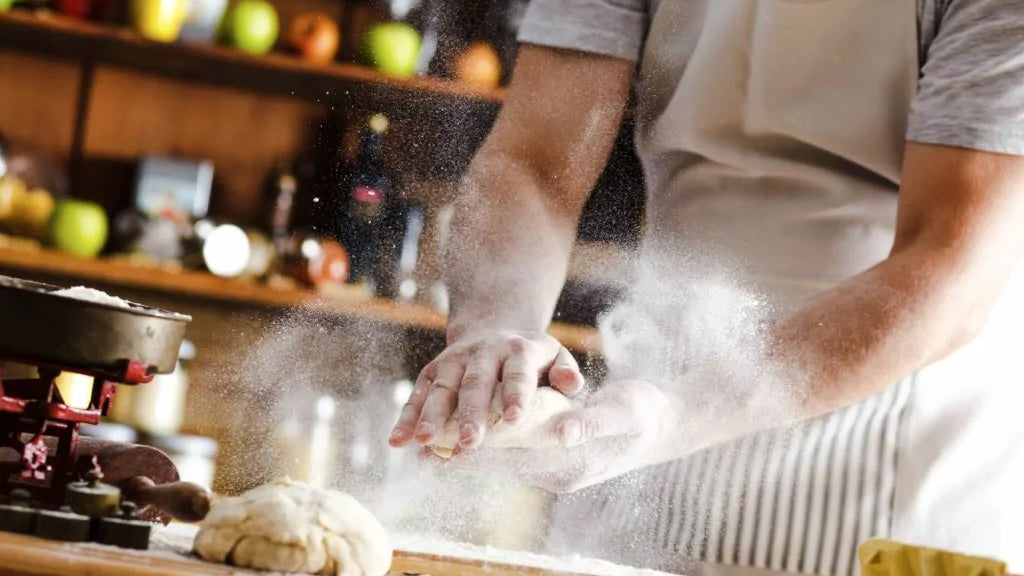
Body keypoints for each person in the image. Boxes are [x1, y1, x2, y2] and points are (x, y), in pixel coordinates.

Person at [389, 1, 1024, 574]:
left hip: (884, 469)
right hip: (643, 432)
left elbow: (948, 268)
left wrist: (676, 416)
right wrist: (500, 325)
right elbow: (532, 165)